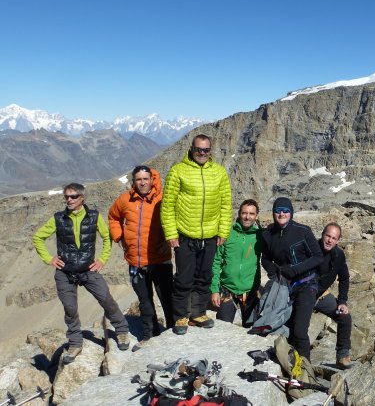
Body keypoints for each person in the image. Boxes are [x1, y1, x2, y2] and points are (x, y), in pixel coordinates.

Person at [32, 183, 130, 363]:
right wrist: (49, 259)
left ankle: (122, 331)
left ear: (82, 198)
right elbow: (38, 237)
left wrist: (102, 260)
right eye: (66, 196)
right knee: (70, 309)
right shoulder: (58, 218)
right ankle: (75, 343)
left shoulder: (94, 217)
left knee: (106, 299)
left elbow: (107, 237)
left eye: (73, 196)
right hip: (65, 271)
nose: (69, 199)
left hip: (88, 269)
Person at [161, 134, 233, 335]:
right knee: (184, 278)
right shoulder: (178, 171)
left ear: (211, 151)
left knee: (204, 276)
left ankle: (198, 312)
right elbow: (168, 206)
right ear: (191, 148)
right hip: (185, 235)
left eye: (206, 150)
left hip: (210, 235)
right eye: (198, 149)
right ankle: (181, 315)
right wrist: (171, 234)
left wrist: (223, 231)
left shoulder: (219, 173)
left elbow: (226, 204)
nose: (202, 153)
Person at [108, 165, 174, 350]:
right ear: (133, 181)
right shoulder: (124, 200)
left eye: (146, 179)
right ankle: (149, 335)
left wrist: (168, 241)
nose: (143, 182)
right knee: (145, 302)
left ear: (152, 180)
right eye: (139, 179)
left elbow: (175, 219)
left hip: (160, 260)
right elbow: (113, 217)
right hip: (136, 261)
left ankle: (173, 331)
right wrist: (119, 236)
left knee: (167, 298)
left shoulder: (162, 199)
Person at [261, 197, 322, 359]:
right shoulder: (268, 235)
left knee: (300, 330)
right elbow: (265, 259)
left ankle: (304, 372)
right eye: (278, 210)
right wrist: (273, 269)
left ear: (291, 213)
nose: (282, 213)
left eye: (286, 211)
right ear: (273, 213)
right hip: (283, 286)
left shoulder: (303, 231)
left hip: (305, 284)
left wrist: (294, 270)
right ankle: (287, 363)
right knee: (281, 326)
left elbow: (317, 257)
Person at [210, 199, 262, 325]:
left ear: (256, 216)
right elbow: (216, 261)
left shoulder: (260, 236)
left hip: (250, 292)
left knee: (251, 330)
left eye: (251, 214)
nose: (247, 217)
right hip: (227, 291)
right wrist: (214, 290)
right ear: (239, 213)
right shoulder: (227, 233)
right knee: (222, 328)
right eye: (244, 213)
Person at [315, 223, 353, 369]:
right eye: (328, 236)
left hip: (322, 295)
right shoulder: (311, 249)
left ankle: (342, 356)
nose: (330, 240)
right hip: (304, 294)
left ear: (338, 240)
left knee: (344, 317)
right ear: (322, 235)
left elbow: (344, 278)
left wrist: (342, 301)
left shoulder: (338, 255)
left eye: (334, 238)